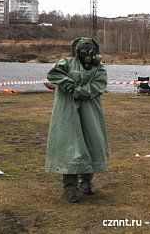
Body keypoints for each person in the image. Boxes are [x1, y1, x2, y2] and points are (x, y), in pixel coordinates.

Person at [45, 37, 108, 203]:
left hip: (90, 112)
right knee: (71, 147)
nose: (87, 54)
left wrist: (83, 91)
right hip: (68, 111)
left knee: (92, 144)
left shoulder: (98, 67)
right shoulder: (66, 63)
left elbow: (100, 84)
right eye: (83, 50)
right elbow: (53, 74)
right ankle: (69, 188)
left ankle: (85, 182)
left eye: (90, 51)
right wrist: (67, 83)